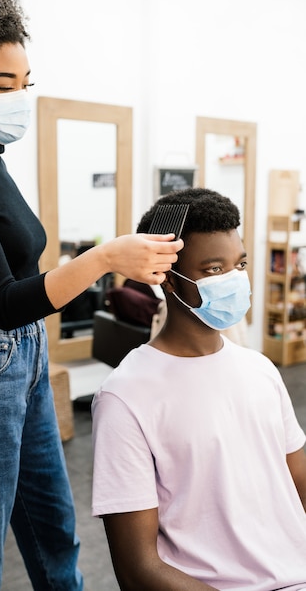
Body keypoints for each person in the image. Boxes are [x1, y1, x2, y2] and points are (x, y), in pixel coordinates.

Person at [0, 0, 183, 590]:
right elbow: (2, 302)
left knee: (54, 531)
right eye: (2, 84)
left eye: (25, 83)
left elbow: (21, 284)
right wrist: (105, 258)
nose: (18, 96)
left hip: (23, 358)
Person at [92, 187, 306, 590]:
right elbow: (138, 569)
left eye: (239, 264)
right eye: (212, 270)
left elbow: (301, 488)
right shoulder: (125, 397)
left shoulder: (261, 369)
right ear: (168, 280)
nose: (235, 280)